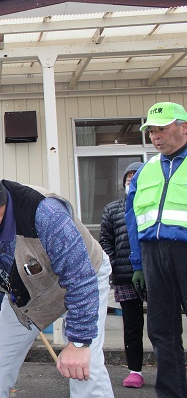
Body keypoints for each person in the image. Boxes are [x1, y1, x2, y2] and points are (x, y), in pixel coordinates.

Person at [0, 165, 113, 398]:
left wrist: (79, 343)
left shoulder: (47, 215)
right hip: (28, 290)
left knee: (83, 367)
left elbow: (80, 279)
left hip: (84, 279)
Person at [125, 101, 187, 397]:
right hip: (153, 255)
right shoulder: (146, 169)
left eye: (161, 129)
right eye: (151, 132)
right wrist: (137, 262)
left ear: (183, 127)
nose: (155, 137)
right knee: (162, 330)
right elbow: (132, 216)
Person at [100, 161, 145, 389]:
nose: (131, 182)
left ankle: (170, 369)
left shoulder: (151, 206)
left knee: (163, 326)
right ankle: (135, 370)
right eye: (128, 179)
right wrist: (114, 262)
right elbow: (105, 240)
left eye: (136, 177)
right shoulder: (113, 209)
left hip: (157, 275)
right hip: (125, 276)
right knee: (132, 326)